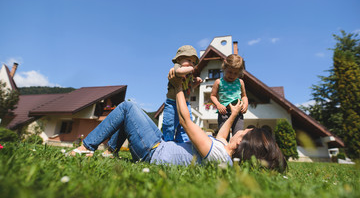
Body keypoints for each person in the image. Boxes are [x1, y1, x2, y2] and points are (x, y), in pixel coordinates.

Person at [70, 69, 287, 171]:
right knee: (131, 117)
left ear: (242, 142)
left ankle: (87, 147)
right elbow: (223, 133)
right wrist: (233, 114)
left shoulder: (218, 156)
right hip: (157, 146)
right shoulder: (224, 151)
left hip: (153, 151)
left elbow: (186, 121)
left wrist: (179, 87)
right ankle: (111, 151)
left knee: (127, 107)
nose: (242, 130)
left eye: (246, 132)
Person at [162, 45, 202, 143]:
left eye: (193, 63)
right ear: (179, 59)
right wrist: (191, 69)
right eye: (189, 60)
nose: (191, 64)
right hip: (172, 103)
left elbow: (188, 87)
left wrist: (195, 83)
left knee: (186, 125)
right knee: (169, 124)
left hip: (185, 104)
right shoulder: (177, 66)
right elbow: (179, 72)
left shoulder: (189, 73)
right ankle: (168, 142)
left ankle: (182, 142)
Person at [210, 54, 248, 140]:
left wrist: (245, 104)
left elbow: (244, 96)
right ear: (224, 67)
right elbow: (213, 96)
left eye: (235, 73)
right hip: (224, 113)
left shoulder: (240, 82)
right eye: (230, 72)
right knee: (223, 137)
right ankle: (224, 153)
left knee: (238, 136)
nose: (232, 75)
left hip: (238, 113)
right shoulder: (219, 82)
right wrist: (218, 105)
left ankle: (236, 153)